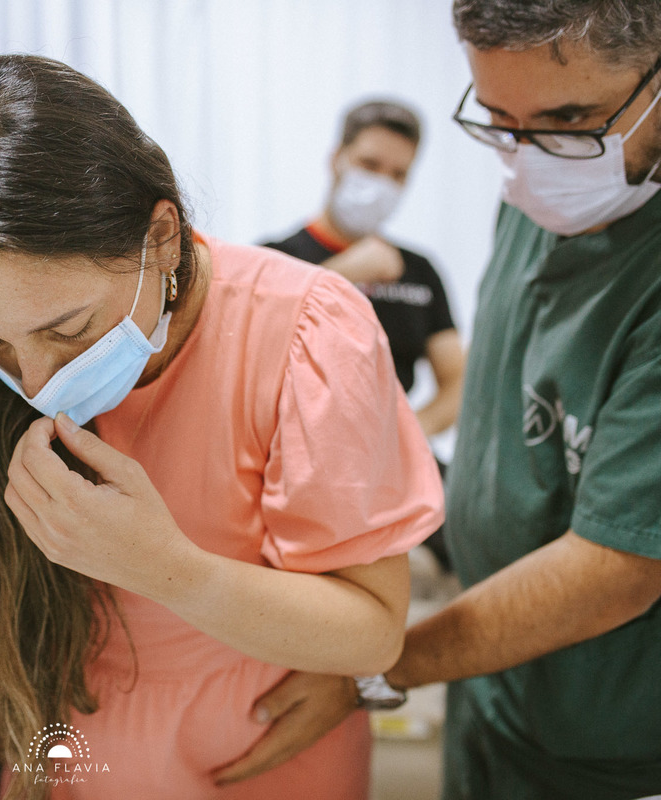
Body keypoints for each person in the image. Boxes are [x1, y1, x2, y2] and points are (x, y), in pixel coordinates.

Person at [0, 54, 443, 800]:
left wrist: (169, 572)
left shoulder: (304, 331)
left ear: (160, 238)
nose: (35, 383)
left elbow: (374, 627)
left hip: (265, 755)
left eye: (69, 328)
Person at [234, 3, 661, 798]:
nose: (531, 158)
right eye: (499, 121)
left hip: (605, 734)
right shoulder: (539, 195)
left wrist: (374, 661)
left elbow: (616, 567)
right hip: (491, 688)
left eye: (569, 121)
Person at [265, 99, 466, 441]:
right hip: (292, 449)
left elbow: (459, 382)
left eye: (398, 174)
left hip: (389, 460)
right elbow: (254, 349)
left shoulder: (419, 271)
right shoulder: (274, 259)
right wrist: (340, 274)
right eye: (369, 164)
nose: (382, 184)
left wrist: (409, 437)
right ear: (336, 159)